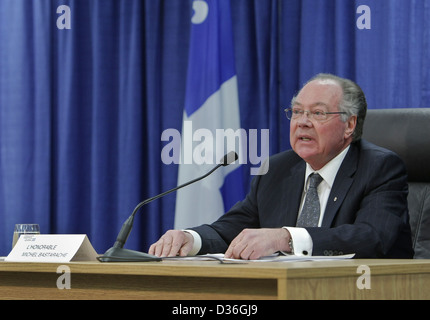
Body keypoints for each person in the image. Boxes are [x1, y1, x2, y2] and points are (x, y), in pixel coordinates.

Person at [149, 73, 414, 259]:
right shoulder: (277, 170)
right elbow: (230, 231)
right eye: (297, 112)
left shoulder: (380, 167)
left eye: (318, 113)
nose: (302, 122)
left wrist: (286, 238)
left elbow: (371, 238)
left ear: (349, 125)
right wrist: (190, 239)